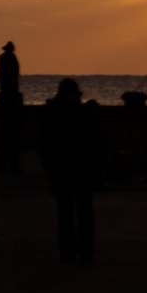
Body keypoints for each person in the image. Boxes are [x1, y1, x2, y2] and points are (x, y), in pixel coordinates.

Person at [39, 78, 104, 264]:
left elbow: (97, 143)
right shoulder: (55, 117)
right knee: (66, 214)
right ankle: (68, 251)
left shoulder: (83, 116)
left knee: (83, 213)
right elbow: (45, 145)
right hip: (63, 172)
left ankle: (85, 250)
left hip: (82, 172)